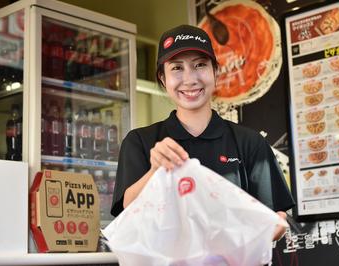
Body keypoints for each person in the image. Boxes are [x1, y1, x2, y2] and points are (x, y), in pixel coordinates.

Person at [111, 24, 295, 240]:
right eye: (177, 68)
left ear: (215, 72)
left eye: (200, 65)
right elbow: (129, 213)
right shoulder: (141, 142)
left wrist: (244, 243)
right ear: (163, 78)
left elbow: (275, 217)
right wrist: (155, 171)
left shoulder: (249, 142)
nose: (190, 79)